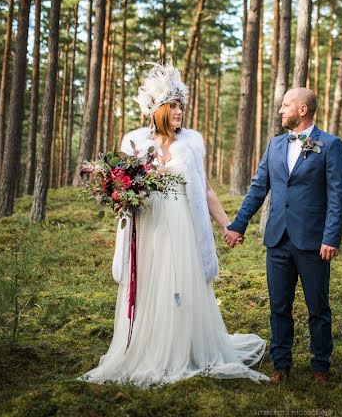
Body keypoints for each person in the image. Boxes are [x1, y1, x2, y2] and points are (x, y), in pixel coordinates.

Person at [81, 63, 269, 387]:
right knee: (151, 286)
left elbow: (206, 190)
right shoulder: (135, 142)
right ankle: (148, 347)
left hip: (182, 231)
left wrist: (227, 224)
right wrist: (120, 192)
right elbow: (122, 184)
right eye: (174, 106)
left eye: (181, 106)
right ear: (158, 110)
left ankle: (184, 348)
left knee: (180, 287)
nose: (180, 112)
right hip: (149, 229)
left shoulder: (192, 144)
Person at [224, 87, 342, 384]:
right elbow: (257, 188)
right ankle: (281, 364)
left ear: (302, 110)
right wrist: (238, 225)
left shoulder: (330, 145)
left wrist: (331, 238)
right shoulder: (275, 145)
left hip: (313, 242)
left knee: (318, 307)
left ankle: (321, 366)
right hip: (277, 239)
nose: (281, 111)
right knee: (279, 306)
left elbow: (338, 196)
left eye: (285, 106)